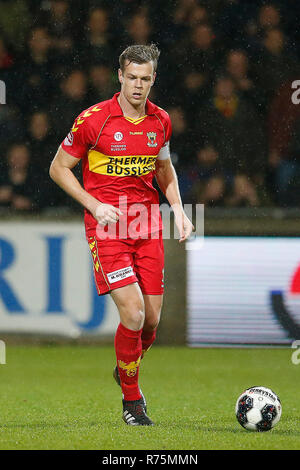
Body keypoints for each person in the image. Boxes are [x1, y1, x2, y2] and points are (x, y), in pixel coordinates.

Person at [49, 44, 194, 426]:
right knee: (133, 313)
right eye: (132, 77)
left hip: (146, 225)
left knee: (151, 322)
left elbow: (163, 168)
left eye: (145, 79)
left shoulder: (161, 121)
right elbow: (59, 168)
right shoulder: (93, 120)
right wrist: (93, 205)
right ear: (120, 76)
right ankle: (132, 401)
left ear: (153, 80)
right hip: (107, 226)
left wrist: (178, 209)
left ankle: (125, 368)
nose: (138, 85)